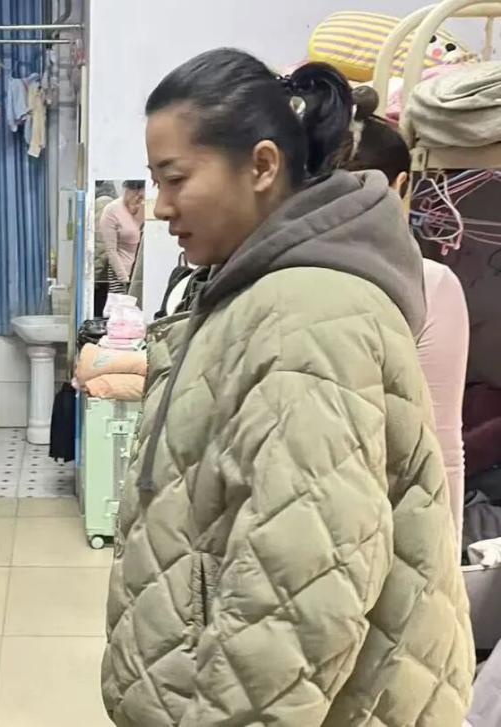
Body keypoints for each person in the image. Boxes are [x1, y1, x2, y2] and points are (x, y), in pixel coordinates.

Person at [103, 49, 474, 726]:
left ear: (263, 166)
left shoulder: (308, 315)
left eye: (175, 179)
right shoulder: (252, 290)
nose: (160, 208)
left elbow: (303, 592)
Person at [345, 85, 470, 549]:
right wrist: (449, 557)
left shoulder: (270, 273)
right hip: (389, 519)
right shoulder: (430, 284)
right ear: (401, 185)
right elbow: (443, 443)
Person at [94, 180, 145, 316]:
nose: (139, 199)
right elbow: (110, 250)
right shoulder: (111, 210)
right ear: (128, 190)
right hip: (120, 274)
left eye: (142, 196)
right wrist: (125, 279)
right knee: (121, 317)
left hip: (141, 271)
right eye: (137, 195)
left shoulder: (145, 207)